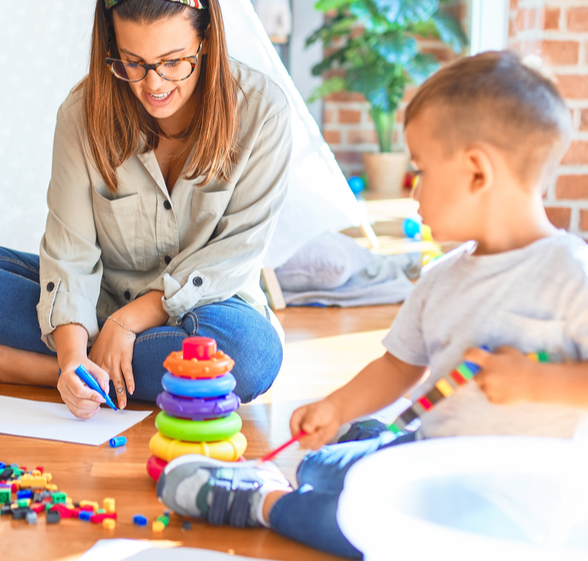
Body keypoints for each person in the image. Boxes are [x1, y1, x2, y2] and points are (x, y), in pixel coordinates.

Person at [157, 51, 588, 559]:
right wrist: (336, 407)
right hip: (427, 455)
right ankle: (356, 447)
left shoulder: (571, 275)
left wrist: (542, 383)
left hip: (509, 506)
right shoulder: (443, 278)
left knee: (356, 528)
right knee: (318, 466)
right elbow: (399, 365)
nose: (416, 195)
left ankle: (263, 502)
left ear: (476, 172)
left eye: (421, 171)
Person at [0, 0, 290, 418]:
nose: (153, 85)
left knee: (249, 357)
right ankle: (88, 371)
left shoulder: (262, 111)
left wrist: (128, 324)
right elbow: (69, 252)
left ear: (207, 41)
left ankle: (44, 369)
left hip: (205, 308)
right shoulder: (82, 113)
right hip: (100, 300)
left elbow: (233, 254)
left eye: (173, 62)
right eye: (131, 62)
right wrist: (72, 356)